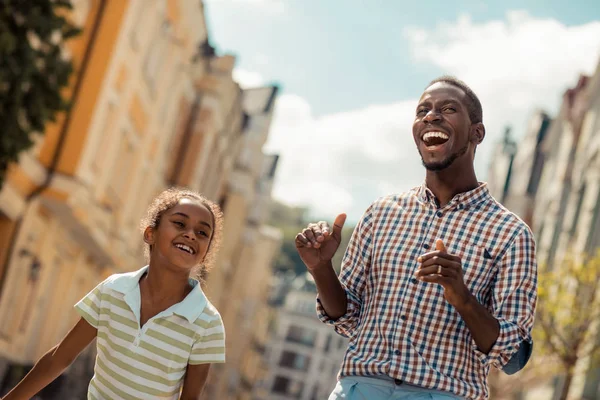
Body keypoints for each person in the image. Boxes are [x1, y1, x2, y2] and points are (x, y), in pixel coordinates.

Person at [295, 76, 537, 400]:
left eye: (448, 108)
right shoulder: (381, 213)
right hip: (359, 388)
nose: (431, 116)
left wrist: (461, 296)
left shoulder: (511, 234)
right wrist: (321, 268)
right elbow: (347, 317)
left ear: (477, 132)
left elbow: (513, 356)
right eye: (423, 109)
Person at [2, 188, 226, 400]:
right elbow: (60, 357)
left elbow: (190, 397)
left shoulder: (207, 323)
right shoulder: (113, 289)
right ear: (151, 234)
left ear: (205, 255)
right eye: (179, 223)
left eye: (202, 232)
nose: (190, 235)